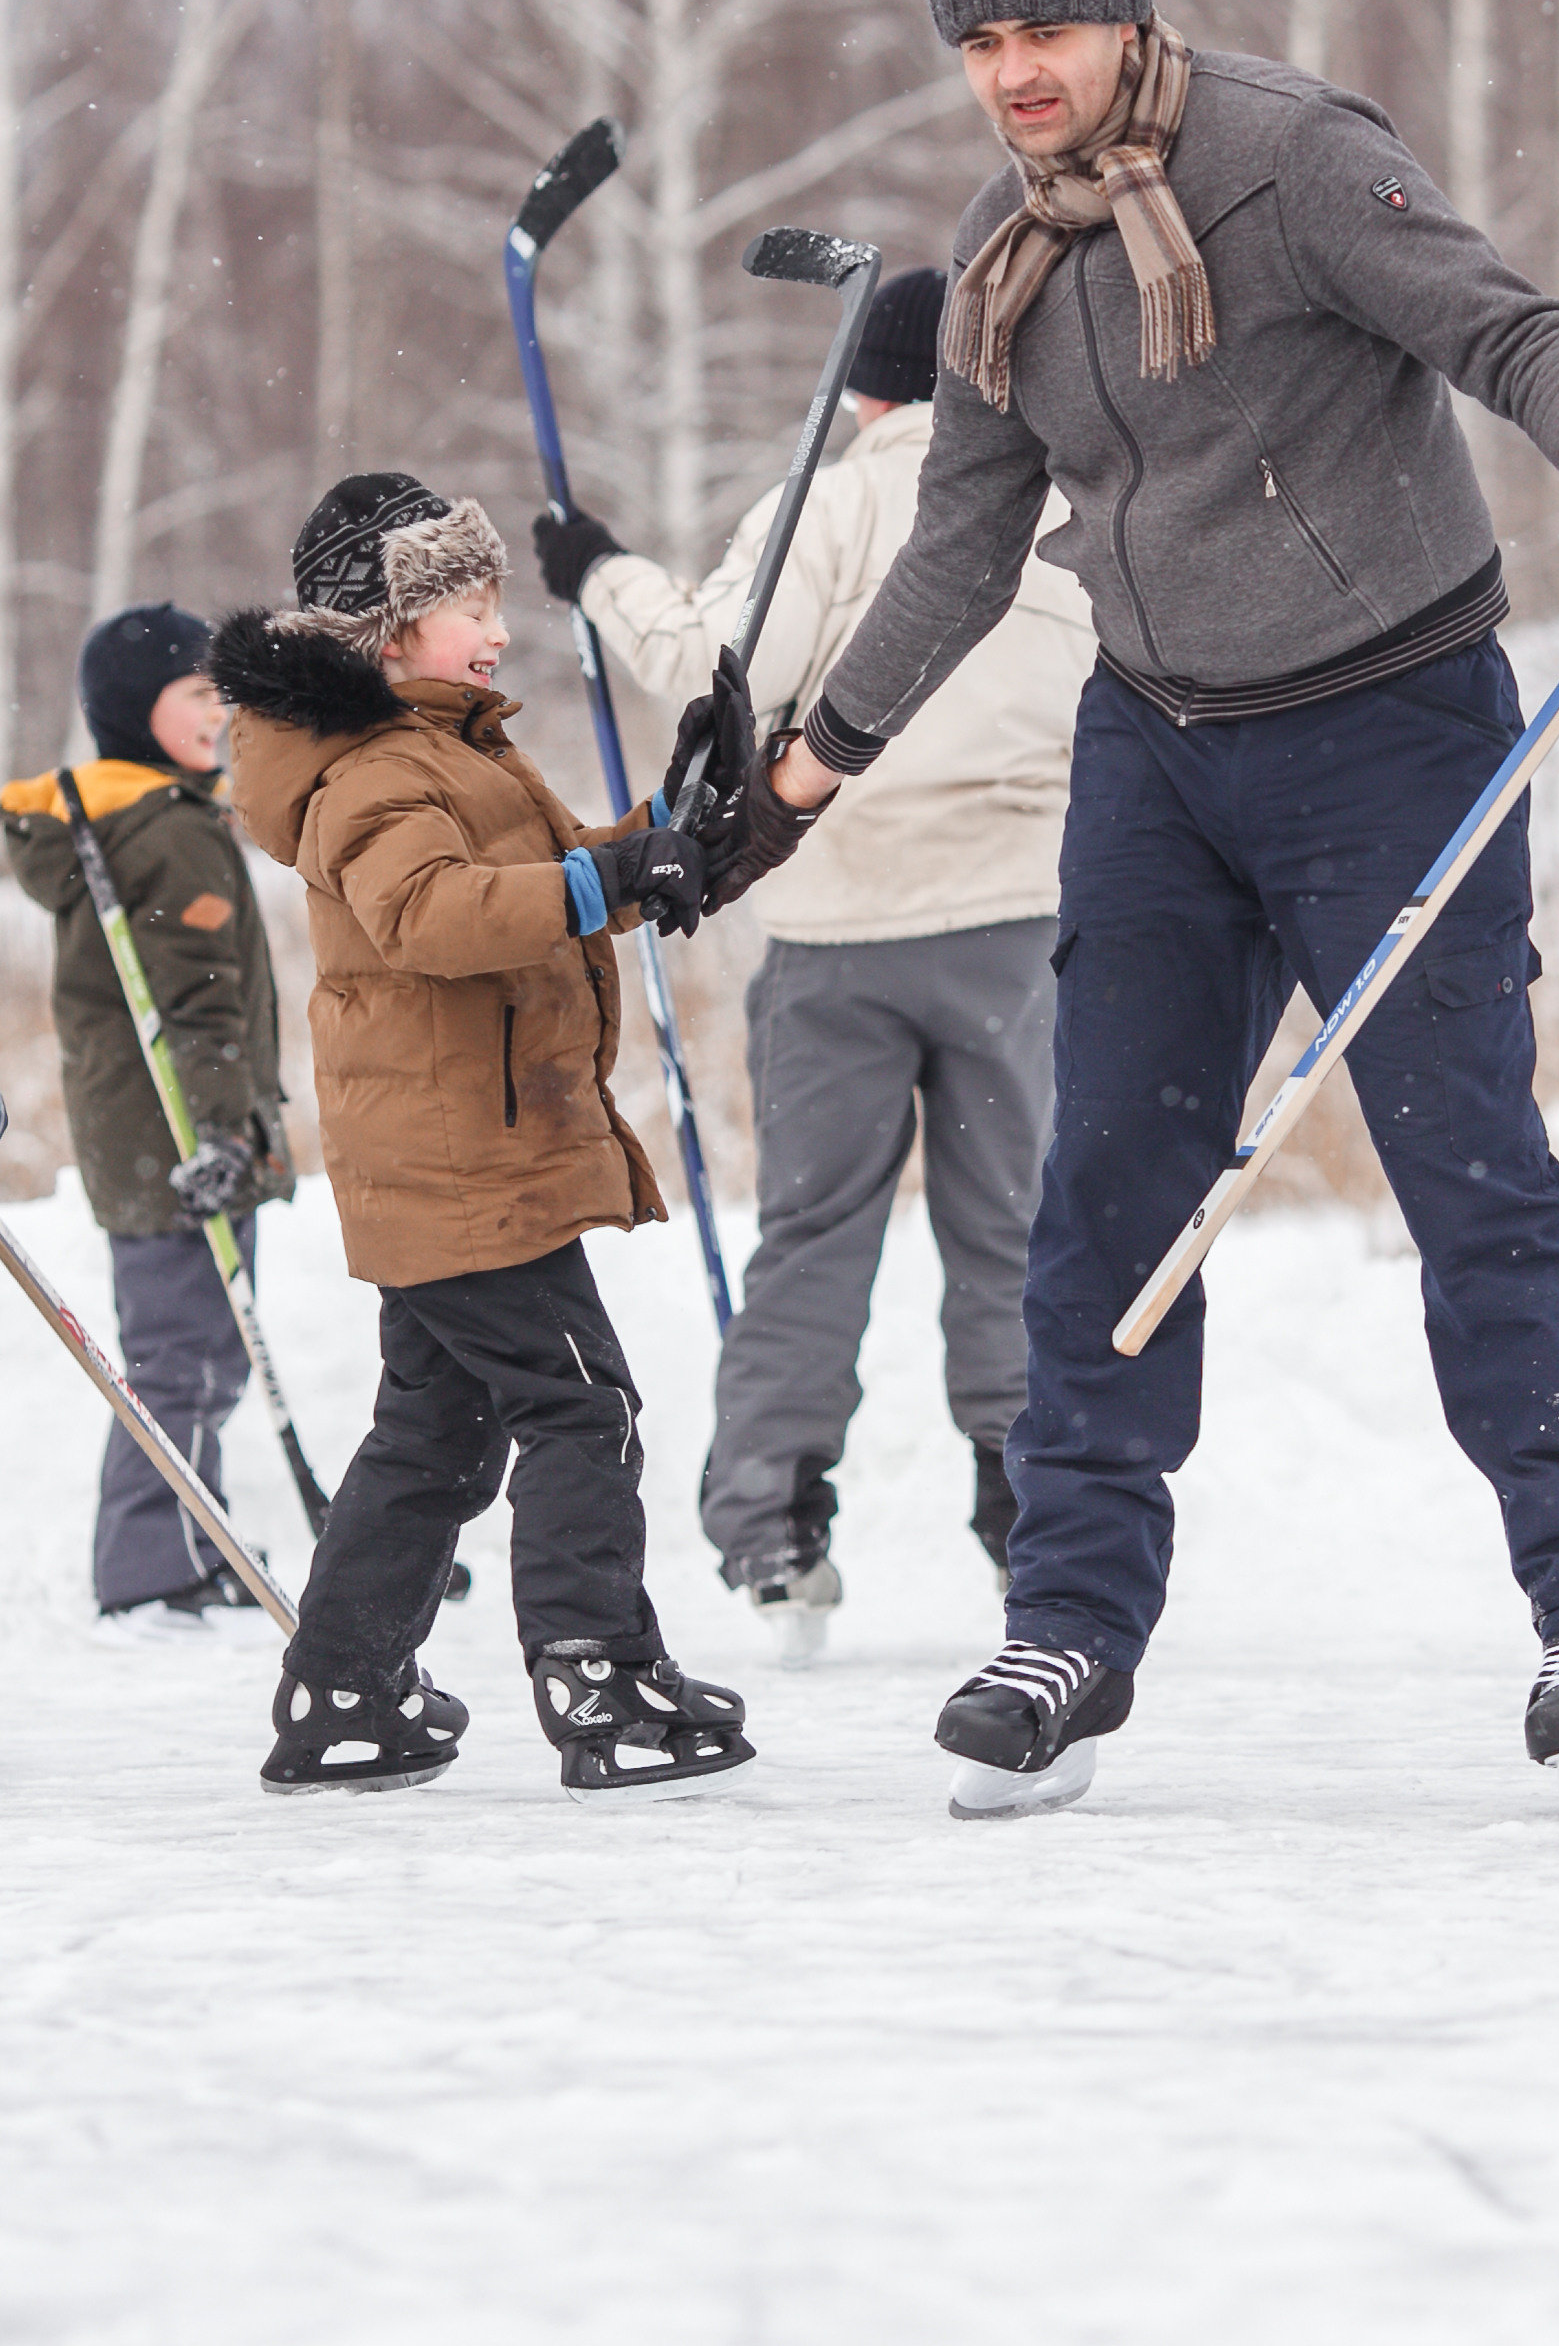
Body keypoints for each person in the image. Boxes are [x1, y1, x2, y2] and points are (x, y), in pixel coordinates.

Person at [738, 0, 1559, 1820]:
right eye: (980, 38)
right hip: (1160, 750)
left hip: (1391, 726)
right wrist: (808, 769)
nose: (1013, 70)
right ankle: (1067, 1626)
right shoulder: (999, 250)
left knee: (1466, 1171)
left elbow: (1512, 327)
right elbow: (962, 533)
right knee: (1103, 1189)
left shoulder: (1292, 159)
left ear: (1126, 13)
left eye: (1043, 25)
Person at [531, 266, 1095, 1662]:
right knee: (1013, 1227)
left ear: (864, 388)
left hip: (832, 926)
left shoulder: (828, 503)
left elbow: (709, 658)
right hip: (1019, 923)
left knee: (815, 1230)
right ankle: (1028, 1506)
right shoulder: (1063, 496)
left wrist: (594, 567)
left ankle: (774, 1519)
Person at [209, 470, 761, 1798]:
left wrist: (677, 824)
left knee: (434, 1429)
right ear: (385, 631)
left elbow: (559, 883)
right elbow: (439, 914)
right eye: (469, 602)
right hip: (465, 1157)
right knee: (585, 1408)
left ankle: (345, 1684)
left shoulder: (448, 747)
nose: (496, 628)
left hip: (454, 1148)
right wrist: (608, 873)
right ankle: (596, 1667)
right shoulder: (372, 770)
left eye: (495, 597)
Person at [3, 602, 294, 1635]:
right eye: (195, 693)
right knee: (183, 1354)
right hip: (179, 1135)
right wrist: (225, 1133)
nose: (219, 710)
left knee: (196, 1348)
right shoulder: (165, 828)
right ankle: (144, 1562)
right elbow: (201, 1005)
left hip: (151, 1132)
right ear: (137, 710)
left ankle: (187, 1533)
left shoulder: (131, 813)